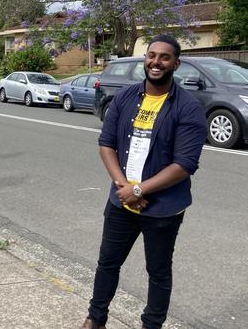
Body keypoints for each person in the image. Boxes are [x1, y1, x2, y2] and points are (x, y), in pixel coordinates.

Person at [81, 35, 207, 329]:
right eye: (152, 55)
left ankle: (152, 325)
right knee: (107, 264)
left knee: (158, 272)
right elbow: (106, 144)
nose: (156, 62)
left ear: (176, 63)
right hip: (121, 202)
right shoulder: (125, 97)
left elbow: (184, 164)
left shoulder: (188, 108)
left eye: (165, 57)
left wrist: (139, 189)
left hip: (163, 208)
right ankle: (95, 319)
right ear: (145, 59)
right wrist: (124, 188)